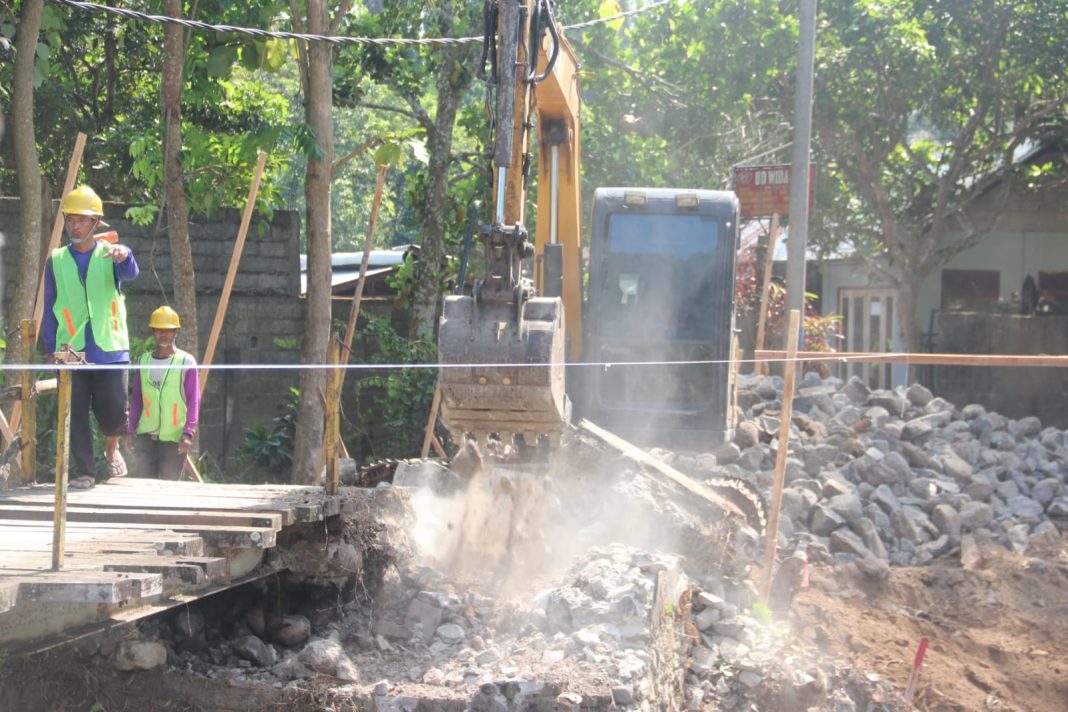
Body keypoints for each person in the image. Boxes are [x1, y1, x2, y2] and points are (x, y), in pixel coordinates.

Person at [43, 185, 139, 489]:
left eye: (81, 220)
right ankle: (84, 471)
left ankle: (112, 447)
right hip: (70, 348)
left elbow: (131, 273)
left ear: (96, 222)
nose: (74, 226)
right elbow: (49, 306)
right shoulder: (56, 260)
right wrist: (50, 348)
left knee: (114, 412)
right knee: (74, 414)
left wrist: (125, 255)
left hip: (109, 347)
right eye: (70, 220)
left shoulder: (111, 254)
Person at [126, 306, 200, 480]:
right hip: (146, 437)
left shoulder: (186, 362)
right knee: (143, 486)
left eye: (168, 330)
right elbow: (137, 400)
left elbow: (193, 401)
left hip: (174, 439)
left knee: (170, 488)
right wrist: (130, 431)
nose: (163, 334)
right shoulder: (143, 361)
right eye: (159, 330)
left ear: (175, 332)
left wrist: (188, 433)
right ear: (153, 332)